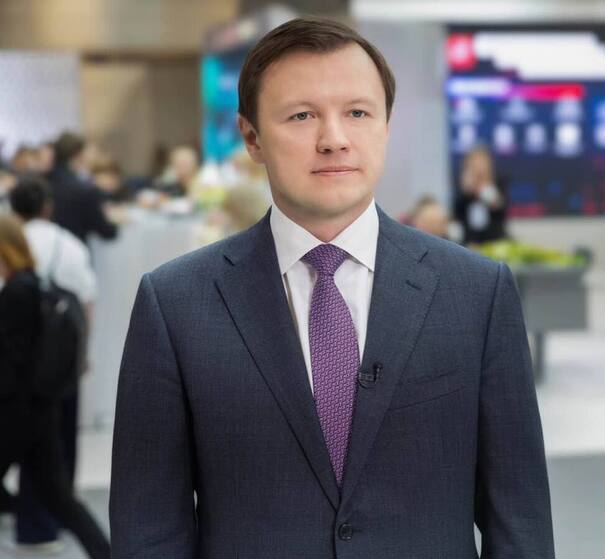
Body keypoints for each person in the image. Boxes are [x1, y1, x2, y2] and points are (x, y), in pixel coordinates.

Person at [110, 17, 554, 558]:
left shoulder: (476, 293)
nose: (334, 140)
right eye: (302, 116)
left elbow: (519, 520)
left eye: (358, 113)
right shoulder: (176, 304)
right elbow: (149, 527)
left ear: (386, 126)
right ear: (251, 137)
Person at [0, 214, 110, 558]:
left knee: (58, 498)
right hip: (40, 411)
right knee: (60, 499)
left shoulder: (16, 292)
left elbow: (12, 362)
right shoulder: (35, 285)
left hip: (15, 414)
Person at [47, 132, 118, 244]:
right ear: (79, 155)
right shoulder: (85, 190)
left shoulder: (42, 182)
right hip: (76, 249)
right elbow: (107, 231)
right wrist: (115, 220)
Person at [454, 146, 510, 245]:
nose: (478, 168)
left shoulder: (498, 182)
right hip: (470, 241)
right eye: (474, 164)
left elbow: (500, 208)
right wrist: (466, 192)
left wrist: (483, 190)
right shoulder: (462, 187)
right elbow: (457, 215)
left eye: (482, 163)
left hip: (496, 239)